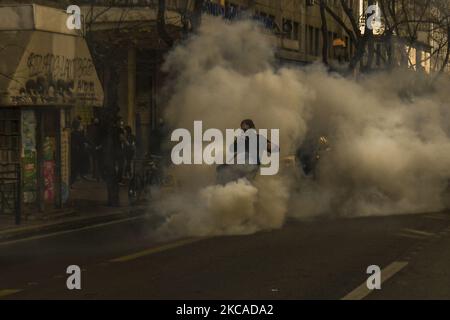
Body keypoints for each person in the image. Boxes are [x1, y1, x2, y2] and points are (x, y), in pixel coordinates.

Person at [217, 119, 273, 184]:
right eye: (243, 129)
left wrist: (267, 146)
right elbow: (232, 149)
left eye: (246, 129)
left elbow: (273, 149)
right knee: (221, 169)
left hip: (250, 167)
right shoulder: (241, 138)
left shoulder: (259, 138)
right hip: (240, 165)